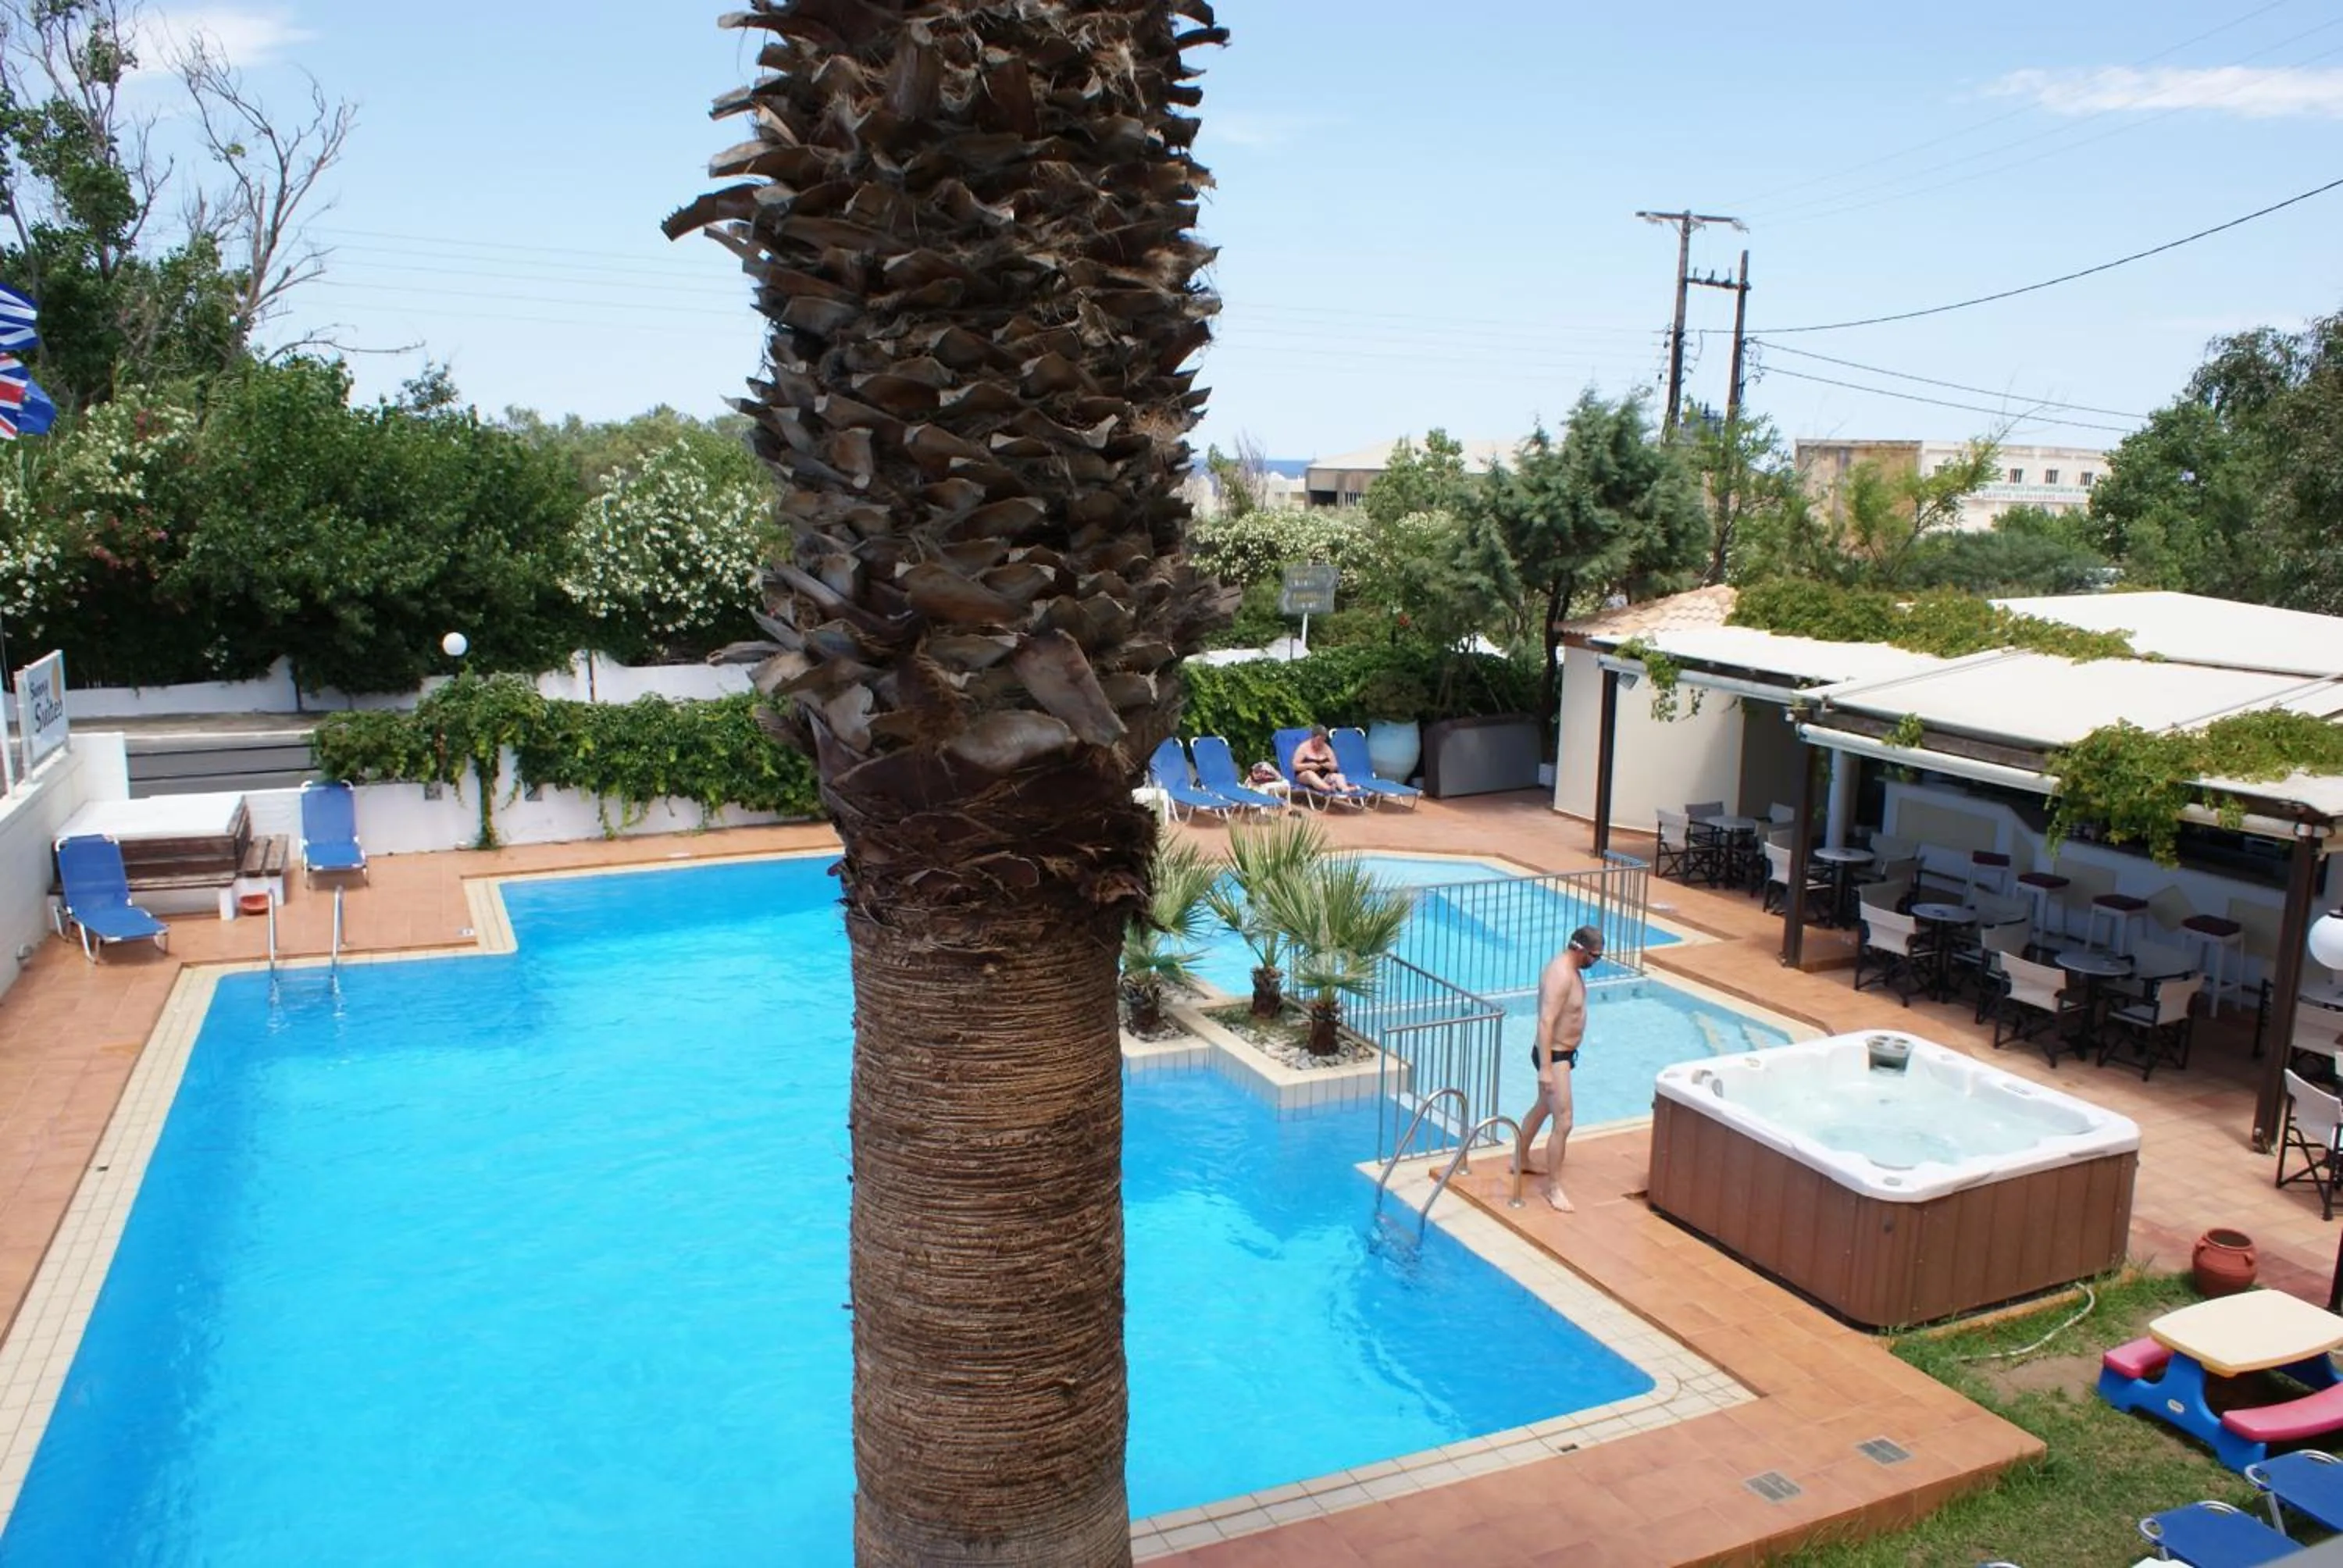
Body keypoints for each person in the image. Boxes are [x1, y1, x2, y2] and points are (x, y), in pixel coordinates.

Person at [1515, 925, 1601, 1213]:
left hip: (1561, 1055)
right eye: (1595, 956)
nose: (1595, 962)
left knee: (1543, 1107)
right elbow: (1546, 1021)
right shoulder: (1561, 974)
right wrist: (1546, 1069)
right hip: (1554, 1057)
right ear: (1580, 949)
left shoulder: (1571, 969)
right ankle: (1554, 1189)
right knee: (1564, 1121)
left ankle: (1521, 1159)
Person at [1289, 725, 1362, 798]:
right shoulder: (1303, 748)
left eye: (1323, 740)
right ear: (1313, 737)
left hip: (1324, 777)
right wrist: (1309, 766)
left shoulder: (1327, 748)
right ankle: (1330, 789)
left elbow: (1335, 766)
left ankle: (1345, 789)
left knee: (1339, 776)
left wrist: (1330, 766)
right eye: (1319, 740)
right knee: (1310, 774)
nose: (1321, 742)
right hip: (1305, 776)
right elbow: (1294, 766)